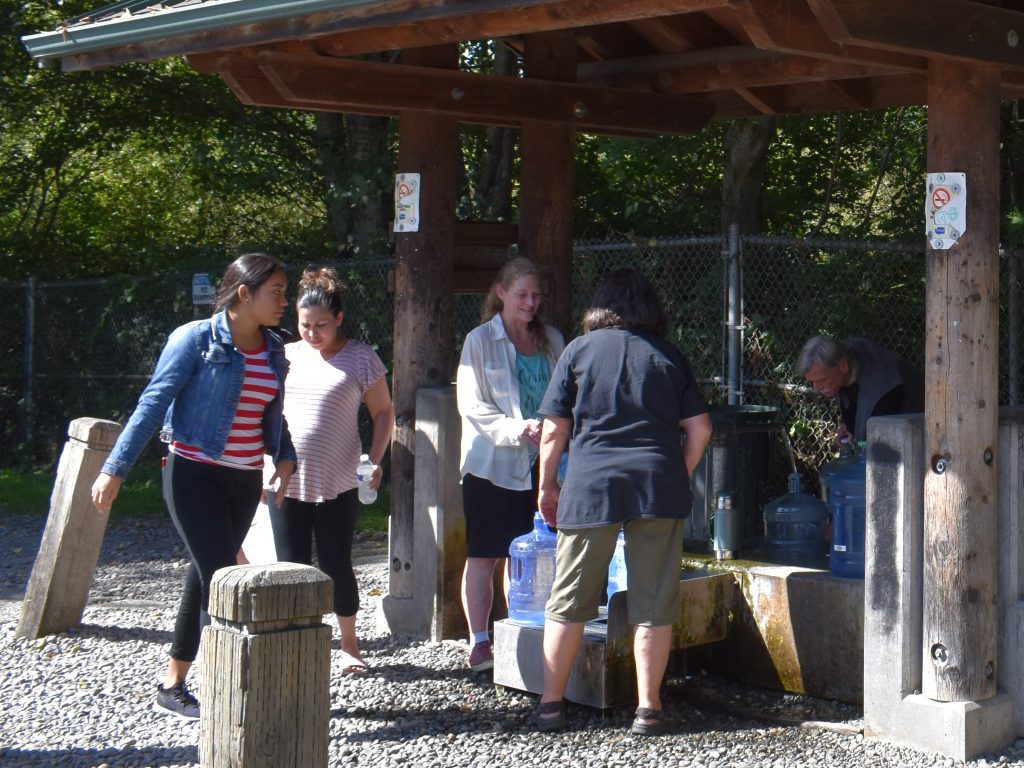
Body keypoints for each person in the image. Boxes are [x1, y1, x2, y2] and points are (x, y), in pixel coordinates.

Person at [90, 253, 297, 720]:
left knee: (202, 577)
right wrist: (114, 468)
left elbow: (272, 415)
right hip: (192, 473)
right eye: (277, 291)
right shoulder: (194, 339)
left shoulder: (273, 348)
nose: (285, 300)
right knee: (222, 575)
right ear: (244, 293)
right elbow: (152, 403)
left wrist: (285, 459)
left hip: (244, 480)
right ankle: (229, 684)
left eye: (286, 291)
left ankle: (173, 684)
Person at [532, 268, 712, 735]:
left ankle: (551, 705)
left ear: (601, 306)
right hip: (657, 485)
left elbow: (554, 429)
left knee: (569, 599)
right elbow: (700, 429)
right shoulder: (669, 355)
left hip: (591, 486)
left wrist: (547, 485)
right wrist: (677, 472)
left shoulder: (577, 350)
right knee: (653, 604)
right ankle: (648, 709)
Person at [267, 266, 394, 675]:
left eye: (321, 324)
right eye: (305, 324)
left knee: (336, 562)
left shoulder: (361, 357)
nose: (312, 332)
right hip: (285, 480)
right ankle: (297, 647)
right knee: (290, 566)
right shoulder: (284, 356)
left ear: (339, 319)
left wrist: (374, 461)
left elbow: (384, 413)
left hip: (338, 480)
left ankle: (350, 643)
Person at [456, 256, 565, 672]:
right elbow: (472, 404)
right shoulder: (479, 341)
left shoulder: (553, 339)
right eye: (522, 294)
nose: (530, 302)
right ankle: (479, 642)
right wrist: (517, 430)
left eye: (536, 295)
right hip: (492, 466)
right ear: (501, 293)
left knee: (531, 555)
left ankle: (521, 629)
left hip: (546, 464)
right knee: (485, 555)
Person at [796, 335, 924, 443]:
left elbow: (876, 447)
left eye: (822, 380)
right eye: (812, 382)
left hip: (918, 435)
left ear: (843, 366)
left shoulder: (882, 388)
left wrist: (858, 438)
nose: (816, 388)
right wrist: (848, 426)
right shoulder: (842, 358)